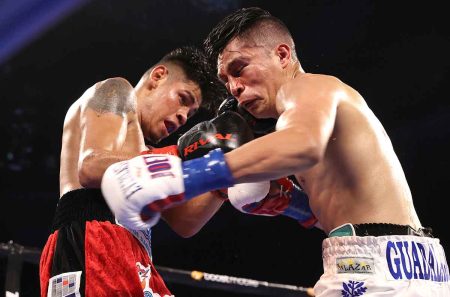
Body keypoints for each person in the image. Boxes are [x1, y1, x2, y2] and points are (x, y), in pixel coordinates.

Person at [101, 7, 450, 296]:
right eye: (227, 82)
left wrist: (183, 177)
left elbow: (303, 146)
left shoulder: (309, 89)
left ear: (282, 55)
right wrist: (289, 202)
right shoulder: (310, 116)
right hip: (413, 264)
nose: (235, 88)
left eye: (240, 69)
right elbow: (341, 208)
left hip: (374, 269)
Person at [39, 46, 232, 297]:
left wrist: (227, 169)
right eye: (182, 99)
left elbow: (184, 221)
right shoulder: (117, 90)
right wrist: (179, 154)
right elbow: (90, 168)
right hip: (89, 240)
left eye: (191, 112)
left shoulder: (145, 156)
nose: (184, 116)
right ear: (158, 76)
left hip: (134, 253)